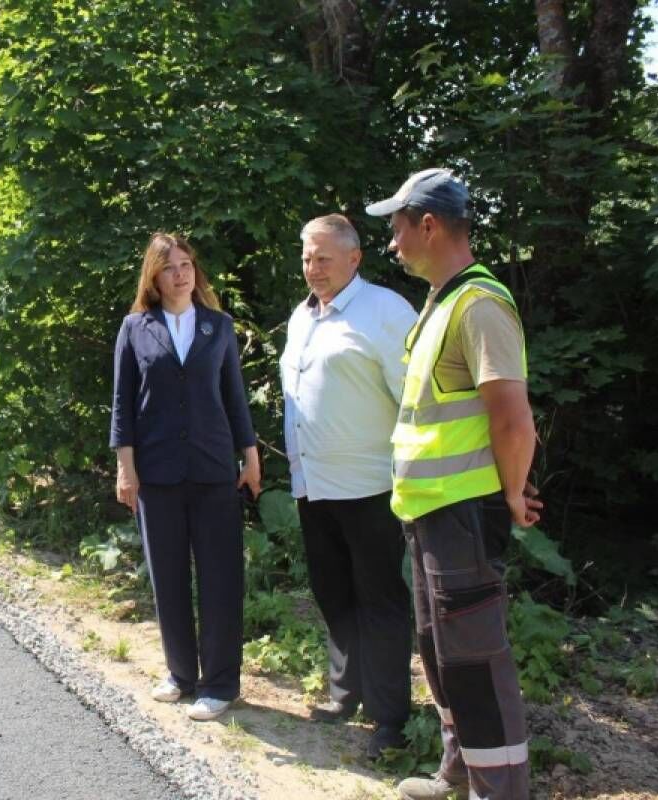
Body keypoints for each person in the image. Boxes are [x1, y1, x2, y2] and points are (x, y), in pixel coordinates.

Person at [367, 169, 542, 800]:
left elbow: (513, 419)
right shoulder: (442, 303)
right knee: (441, 655)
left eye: (397, 228)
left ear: (429, 225)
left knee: (476, 662)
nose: (393, 243)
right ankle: (459, 770)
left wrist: (514, 495)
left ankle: (499, 791)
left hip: (464, 514)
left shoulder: (480, 305)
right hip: (430, 513)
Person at [280, 213, 417, 759]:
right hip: (313, 485)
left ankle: (390, 718)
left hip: (369, 486)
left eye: (324, 258)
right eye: (307, 257)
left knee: (379, 599)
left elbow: (414, 398)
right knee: (333, 592)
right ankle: (346, 694)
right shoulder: (301, 316)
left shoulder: (385, 312)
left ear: (355, 258)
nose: (313, 268)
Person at [110, 232, 262, 722]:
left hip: (214, 469)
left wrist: (251, 456)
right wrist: (125, 469)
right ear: (153, 277)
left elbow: (235, 398)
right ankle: (181, 674)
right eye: (170, 266)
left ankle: (220, 684)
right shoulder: (135, 328)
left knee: (220, 578)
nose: (181, 273)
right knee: (168, 577)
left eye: (187, 265)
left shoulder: (218, 327)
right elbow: (123, 406)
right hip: (156, 473)